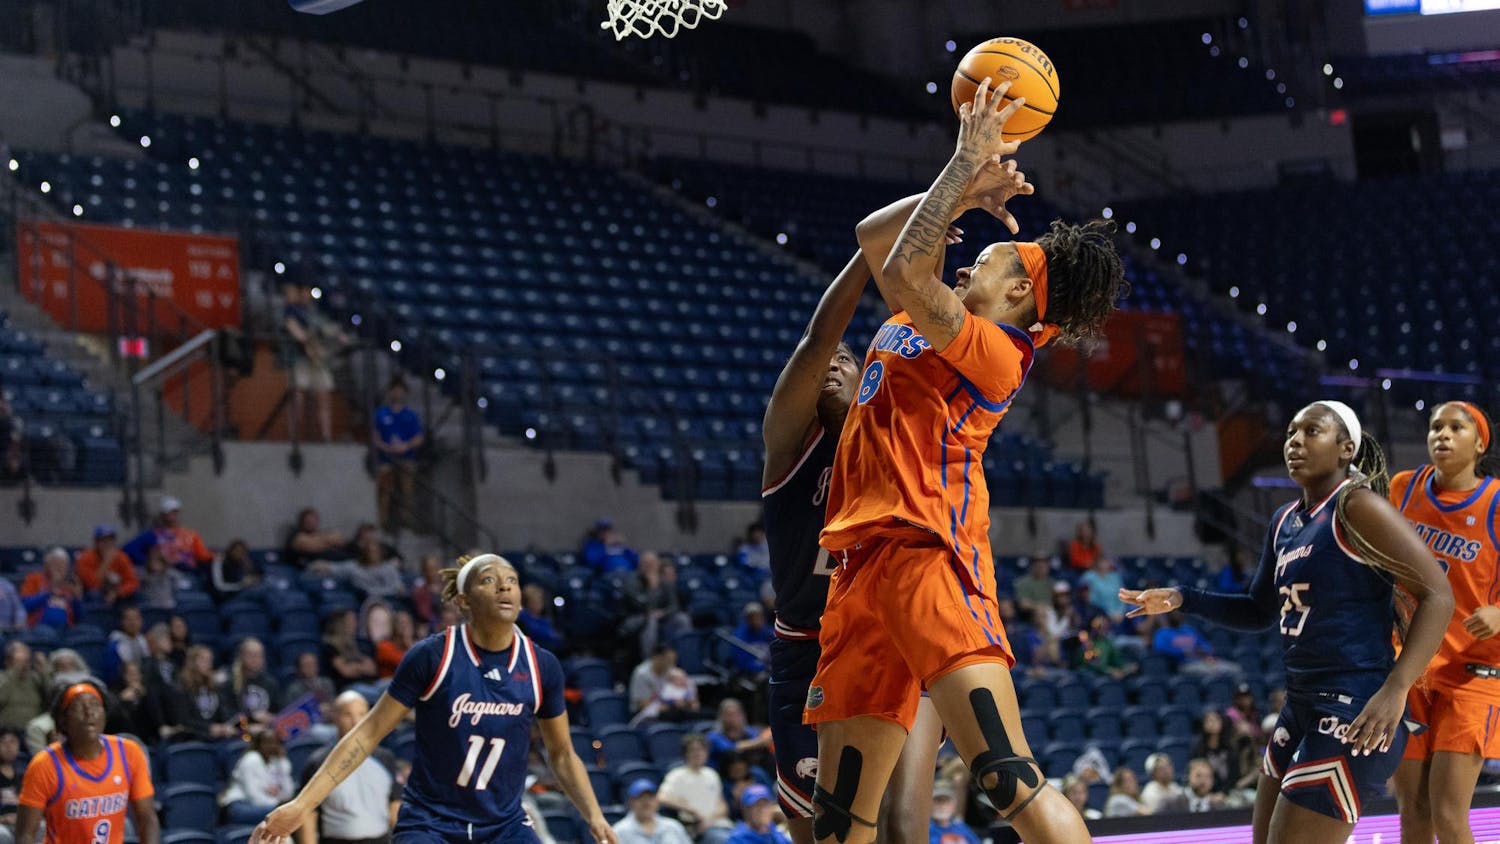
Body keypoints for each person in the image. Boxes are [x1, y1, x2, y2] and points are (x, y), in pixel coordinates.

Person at [806, 78, 1126, 844]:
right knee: (837, 819)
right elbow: (873, 237)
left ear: (1018, 290)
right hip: (860, 569)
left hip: (930, 559)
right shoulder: (927, 320)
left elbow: (912, 266)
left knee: (1005, 777)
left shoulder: (998, 351)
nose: (962, 269)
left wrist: (961, 166)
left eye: (978, 262)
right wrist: (962, 185)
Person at [1122, 401, 1455, 844]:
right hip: (1300, 705)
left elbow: (1438, 595)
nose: (1294, 441)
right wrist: (1184, 598)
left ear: (1345, 448)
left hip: (1354, 708)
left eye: (1311, 432)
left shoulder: (1358, 507)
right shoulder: (1283, 521)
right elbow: (1260, 611)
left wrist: (1396, 689)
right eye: (1290, 434)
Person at [760, 241, 950, 844]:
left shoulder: (898, 444)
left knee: (900, 825)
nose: (836, 364)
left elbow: (931, 346)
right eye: (827, 364)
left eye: (850, 358)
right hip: (809, 651)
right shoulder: (790, 447)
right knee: (827, 834)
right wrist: (872, 256)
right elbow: (820, 338)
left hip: (898, 639)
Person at [254, 553, 619, 844]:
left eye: (512, 581)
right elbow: (368, 734)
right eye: (489, 581)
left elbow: (562, 753)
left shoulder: (542, 666)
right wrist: (303, 804)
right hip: (431, 823)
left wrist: (595, 817)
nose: (505, 588)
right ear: (463, 601)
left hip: (503, 826)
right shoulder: (433, 656)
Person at [1387, 400, 1500, 844]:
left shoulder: (1495, 502)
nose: (1443, 435)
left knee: (1450, 814)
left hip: (1472, 673)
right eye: (1436, 427)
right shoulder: (1402, 488)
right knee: (1412, 812)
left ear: (1479, 445)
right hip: (1411, 670)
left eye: (1457, 427)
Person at [16, 680, 159, 844]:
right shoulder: (44, 764)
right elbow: (25, 835)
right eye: (78, 706)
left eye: (95, 705)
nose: (89, 712)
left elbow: (147, 818)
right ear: (63, 719)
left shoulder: (129, 752)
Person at [293, 690, 401, 844]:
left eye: (361, 714)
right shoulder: (319, 762)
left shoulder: (386, 758)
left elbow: (394, 806)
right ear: (335, 717)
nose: (355, 721)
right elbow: (308, 814)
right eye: (347, 715)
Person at [282, 282, 347, 442]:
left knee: (324, 395)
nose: (306, 294)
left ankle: (326, 437)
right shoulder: (290, 311)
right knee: (298, 395)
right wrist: (306, 339)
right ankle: (294, 436)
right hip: (301, 359)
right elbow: (295, 330)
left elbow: (328, 329)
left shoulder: (315, 313)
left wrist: (338, 336)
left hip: (319, 360)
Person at [372, 378, 424, 531]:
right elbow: (374, 435)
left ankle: (407, 520)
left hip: (406, 457)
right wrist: (386, 447)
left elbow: (419, 437)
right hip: (385, 458)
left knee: (407, 490)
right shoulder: (381, 414)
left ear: (405, 393)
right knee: (384, 490)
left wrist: (405, 446)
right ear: (389, 392)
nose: (397, 393)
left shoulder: (411, 415)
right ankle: (383, 521)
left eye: (400, 390)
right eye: (394, 390)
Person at [658, 734, 730, 837]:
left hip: (718, 823)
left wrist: (710, 818)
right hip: (695, 827)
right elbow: (661, 798)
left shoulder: (712, 774)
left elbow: (722, 805)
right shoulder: (677, 775)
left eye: (701, 749)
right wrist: (691, 809)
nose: (698, 753)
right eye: (693, 750)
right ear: (685, 753)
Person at [621, 553, 690, 659]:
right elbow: (642, 606)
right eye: (646, 564)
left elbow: (674, 606)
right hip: (635, 618)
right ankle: (649, 660)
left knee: (682, 618)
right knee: (651, 620)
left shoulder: (664, 582)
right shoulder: (632, 581)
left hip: (661, 618)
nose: (650, 567)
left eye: (653, 564)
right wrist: (652, 588)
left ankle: (684, 656)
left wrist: (663, 613)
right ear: (640, 566)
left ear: (658, 565)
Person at [223, 728, 296, 826]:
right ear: (258, 745)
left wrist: (282, 761)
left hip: (265, 805)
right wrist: (277, 804)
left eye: (275, 743)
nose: (271, 746)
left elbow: (287, 793)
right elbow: (253, 795)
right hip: (240, 806)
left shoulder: (275, 762)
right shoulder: (251, 759)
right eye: (267, 743)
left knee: (292, 811)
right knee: (285, 814)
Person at [123, 495, 214, 573]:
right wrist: (148, 561)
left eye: (175, 512)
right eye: (169, 512)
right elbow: (128, 549)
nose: (172, 516)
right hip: (166, 573)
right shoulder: (153, 534)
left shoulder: (191, 535)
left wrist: (216, 557)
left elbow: (202, 555)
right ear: (162, 515)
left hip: (189, 573)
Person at [74, 525, 139, 605]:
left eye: (110, 541)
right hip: (96, 593)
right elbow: (93, 585)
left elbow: (133, 582)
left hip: (118, 592)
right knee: (94, 595)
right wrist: (106, 562)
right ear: (96, 543)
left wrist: (118, 593)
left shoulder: (121, 557)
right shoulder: (86, 558)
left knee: (139, 596)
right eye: (104, 541)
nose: (108, 544)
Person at [612, 779, 693, 844]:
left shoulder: (673, 827)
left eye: (650, 797)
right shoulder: (619, 831)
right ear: (631, 802)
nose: (646, 802)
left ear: (657, 801)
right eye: (640, 798)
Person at [20, 547, 83, 630]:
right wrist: (50, 590)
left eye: (63, 564)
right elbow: (24, 606)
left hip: (67, 629)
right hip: (39, 627)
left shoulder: (70, 584)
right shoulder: (34, 578)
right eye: (56, 564)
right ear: (47, 565)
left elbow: (80, 618)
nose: (60, 568)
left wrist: (77, 598)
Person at [223, 638, 281, 727]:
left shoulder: (271, 683)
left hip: (265, 730)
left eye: (259, 655)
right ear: (241, 656)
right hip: (240, 732)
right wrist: (251, 719)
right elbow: (228, 716)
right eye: (251, 655)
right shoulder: (230, 683)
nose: (255, 659)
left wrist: (271, 719)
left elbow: (279, 713)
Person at [706, 699, 772, 777]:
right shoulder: (714, 736)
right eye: (730, 715)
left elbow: (761, 743)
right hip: (721, 774)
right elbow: (731, 749)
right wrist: (759, 742)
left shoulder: (750, 731)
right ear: (722, 717)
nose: (734, 718)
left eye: (738, 714)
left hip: (746, 772)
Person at [0, 642, 46, 735]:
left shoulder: (36, 679)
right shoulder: (3, 677)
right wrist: (13, 672)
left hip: (33, 732)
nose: (25, 657)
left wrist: (44, 672)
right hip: (7, 732)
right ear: (9, 659)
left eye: (27, 653)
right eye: (20, 653)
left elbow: (50, 700)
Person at [725, 785, 792, 844]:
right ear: (746, 810)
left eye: (765, 804)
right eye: (757, 806)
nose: (762, 810)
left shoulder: (773, 832)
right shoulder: (737, 839)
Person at [102, 605, 149, 686]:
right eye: (129, 619)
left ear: (141, 621)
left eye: (136, 618)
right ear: (122, 621)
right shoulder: (115, 643)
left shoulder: (143, 640)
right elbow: (113, 675)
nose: (133, 623)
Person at [1011, 551, 1056, 625]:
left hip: (1052, 614)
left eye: (1044, 563)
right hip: (1032, 617)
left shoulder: (1053, 583)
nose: (1041, 566)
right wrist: (1039, 607)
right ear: (1032, 566)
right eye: (1037, 563)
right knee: (1041, 612)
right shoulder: (1023, 583)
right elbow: (1023, 604)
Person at [517, 585, 565, 653]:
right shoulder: (522, 618)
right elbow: (538, 633)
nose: (538, 605)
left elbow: (556, 637)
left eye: (540, 602)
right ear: (527, 603)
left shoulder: (545, 620)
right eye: (534, 603)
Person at [0, 727, 23, 832]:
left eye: (13, 742)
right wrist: (3, 819)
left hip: (23, 822)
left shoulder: (25, 774)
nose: (8, 746)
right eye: (3, 742)